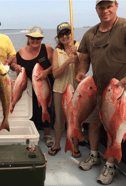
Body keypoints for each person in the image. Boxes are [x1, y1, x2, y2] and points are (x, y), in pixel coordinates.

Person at [76, 0, 126, 184]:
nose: (106, 10)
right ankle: (94, 155)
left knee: (114, 130)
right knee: (93, 124)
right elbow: (85, 59)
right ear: (96, 9)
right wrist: (81, 72)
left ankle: (110, 165)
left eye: (109, 6)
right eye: (101, 7)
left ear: (116, 6)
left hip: (118, 91)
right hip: (95, 89)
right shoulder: (89, 34)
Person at [10, 26, 55, 148]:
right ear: (28, 38)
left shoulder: (47, 49)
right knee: (33, 111)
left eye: (38, 38)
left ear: (42, 38)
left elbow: (56, 65)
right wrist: (16, 67)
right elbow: (12, 64)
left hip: (46, 86)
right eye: (32, 38)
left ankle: (47, 135)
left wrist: (46, 72)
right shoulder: (20, 53)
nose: (35, 41)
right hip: (30, 88)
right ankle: (33, 135)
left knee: (47, 108)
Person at [48, 22, 81, 157]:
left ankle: (76, 146)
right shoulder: (57, 51)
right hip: (60, 90)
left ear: (71, 33)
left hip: (76, 89)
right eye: (61, 34)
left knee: (75, 119)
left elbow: (82, 70)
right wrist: (67, 61)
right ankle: (57, 144)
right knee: (59, 119)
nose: (65, 36)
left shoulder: (79, 47)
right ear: (58, 37)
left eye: (67, 33)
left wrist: (77, 57)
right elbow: (55, 74)